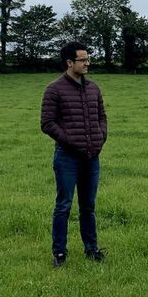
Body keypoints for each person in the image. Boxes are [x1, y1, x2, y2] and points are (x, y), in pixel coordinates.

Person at [40, 41, 108, 267]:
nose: (87, 63)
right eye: (83, 60)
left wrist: (100, 137)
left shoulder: (93, 88)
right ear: (70, 63)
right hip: (67, 158)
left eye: (88, 59)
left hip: (92, 156)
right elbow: (47, 123)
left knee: (88, 206)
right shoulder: (54, 89)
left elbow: (102, 117)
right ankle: (59, 253)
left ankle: (91, 249)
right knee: (64, 205)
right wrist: (71, 142)